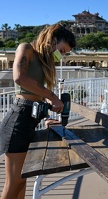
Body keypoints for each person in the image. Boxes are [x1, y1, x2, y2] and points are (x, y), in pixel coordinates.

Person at [0, 23, 76, 199]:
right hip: (18, 120)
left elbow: (37, 95)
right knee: (13, 183)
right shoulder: (26, 48)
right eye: (62, 50)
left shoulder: (45, 61)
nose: (61, 56)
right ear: (54, 39)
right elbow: (19, 77)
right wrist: (51, 96)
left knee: (22, 180)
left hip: (30, 119)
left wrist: (47, 114)